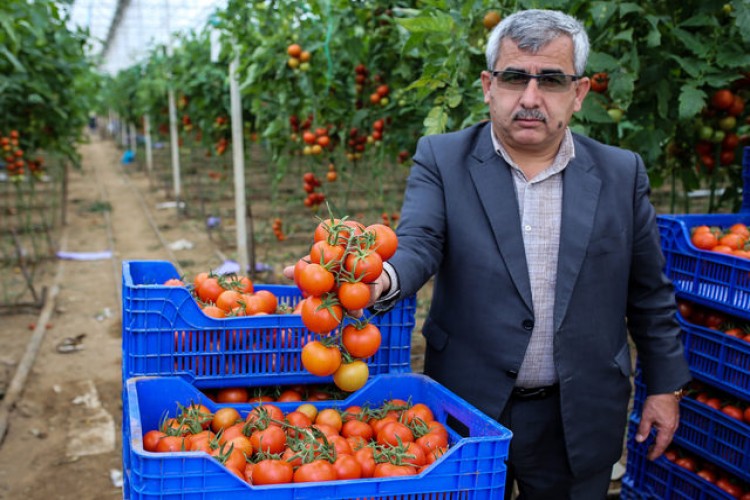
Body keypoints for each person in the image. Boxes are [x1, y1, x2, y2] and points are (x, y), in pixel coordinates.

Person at [287, 8, 690, 500]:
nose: (530, 98)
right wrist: (379, 279)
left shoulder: (620, 173)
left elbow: (650, 292)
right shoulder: (443, 158)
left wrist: (665, 388)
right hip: (467, 405)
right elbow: (420, 242)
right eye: (514, 77)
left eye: (552, 81)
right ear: (487, 85)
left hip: (579, 411)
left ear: (579, 93)